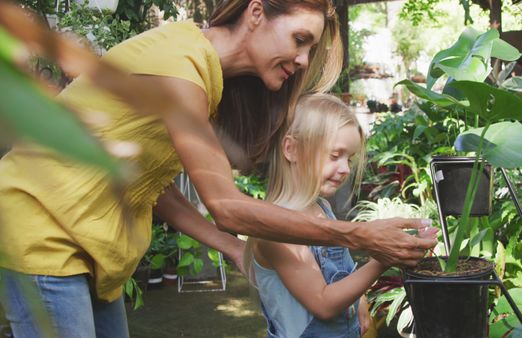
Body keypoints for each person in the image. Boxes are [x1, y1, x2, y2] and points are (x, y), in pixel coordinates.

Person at [0, 1, 437, 337]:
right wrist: (359, 236)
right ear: (256, 12)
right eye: (300, 39)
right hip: (43, 223)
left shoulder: (202, 75)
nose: (303, 60)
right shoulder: (181, 66)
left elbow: (154, 185)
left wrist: (230, 247)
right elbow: (226, 205)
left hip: (89, 243)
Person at [245, 94, 439, 338]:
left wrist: (359, 299)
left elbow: (342, 272)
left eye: (349, 158)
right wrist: (382, 260)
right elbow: (323, 304)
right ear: (291, 149)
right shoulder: (275, 230)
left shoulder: (322, 208)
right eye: (334, 156)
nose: (346, 168)